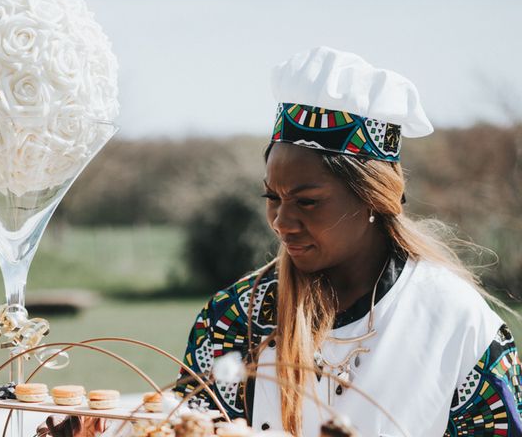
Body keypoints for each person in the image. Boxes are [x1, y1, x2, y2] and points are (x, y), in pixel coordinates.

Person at [173, 47, 522, 437]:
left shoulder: (457, 323)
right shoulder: (231, 320)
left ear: (373, 198)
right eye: (272, 197)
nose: (281, 222)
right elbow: (189, 427)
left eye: (307, 202)